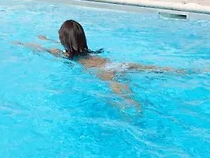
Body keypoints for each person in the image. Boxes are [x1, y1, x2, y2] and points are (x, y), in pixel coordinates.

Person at [16, 20, 177, 108]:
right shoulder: (86, 50)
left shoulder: (65, 54)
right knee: (153, 69)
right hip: (115, 64)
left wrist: (23, 44)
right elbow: (70, 44)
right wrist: (48, 39)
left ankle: (136, 110)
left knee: (126, 98)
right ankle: (179, 71)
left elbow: (43, 49)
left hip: (103, 71)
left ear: (62, 40)